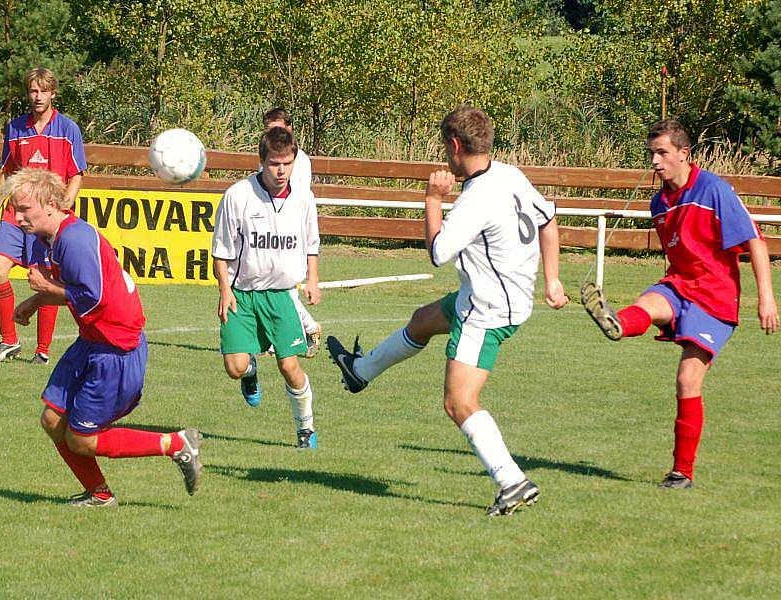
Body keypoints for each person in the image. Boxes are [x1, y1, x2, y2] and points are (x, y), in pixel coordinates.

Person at [327, 106, 569, 516]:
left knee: (459, 402)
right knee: (423, 322)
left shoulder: (476, 199)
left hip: (486, 309)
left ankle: (511, 482)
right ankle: (360, 371)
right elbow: (547, 220)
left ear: (455, 146)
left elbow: (438, 252)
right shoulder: (509, 174)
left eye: (445, 147)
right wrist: (552, 278)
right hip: (501, 295)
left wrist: (432, 199)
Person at [582, 118, 779, 489]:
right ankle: (619, 324)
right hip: (678, 284)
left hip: (715, 297)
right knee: (649, 302)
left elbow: (755, 241)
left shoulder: (714, 189)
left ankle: (681, 473)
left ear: (684, 154)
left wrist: (766, 297)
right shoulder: (659, 201)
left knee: (687, 380)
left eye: (662, 153)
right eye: (651, 153)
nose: (655, 161)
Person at [8, 168, 202, 508]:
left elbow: (93, 296)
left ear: (51, 204)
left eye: (24, 209)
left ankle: (174, 444)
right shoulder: (54, 237)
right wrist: (37, 300)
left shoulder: (74, 239)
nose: (18, 216)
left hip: (116, 350)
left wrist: (43, 289)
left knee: (82, 439)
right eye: (15, 209)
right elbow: (81, 291)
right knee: (52, 420)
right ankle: (99, 494)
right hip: (91, 341)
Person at [212, 126, 321, 449]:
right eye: (275, 163)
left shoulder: (303, 198)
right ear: (262, 162)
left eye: (287, 162)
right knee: (235, 367)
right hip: (242, 294)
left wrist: (312, 279)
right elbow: (221, 249)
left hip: (280, 295)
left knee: (290, 366)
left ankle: (306, 429)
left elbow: (312, 243)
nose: (281, 170)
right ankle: (250, 371)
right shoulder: (238, 195)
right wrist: (224, 289)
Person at [0, 66, 87, 364]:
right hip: (15, 213)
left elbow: (77, 173)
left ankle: (42, 350)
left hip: (47, 219)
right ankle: (8, 341)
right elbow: (7, 172)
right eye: (33, 90)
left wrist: (68, 199)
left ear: (53, 93)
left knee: (43, 280)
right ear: (28, 93)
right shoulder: (15, 128)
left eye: (43, 90)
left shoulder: (68, 129)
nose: (38, 96)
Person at [261, 107, 321, 358]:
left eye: (279, 128)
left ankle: (290, 336)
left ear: (290, 129)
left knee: (282, 286)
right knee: (274, 285)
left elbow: (297, 199)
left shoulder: (300, 161)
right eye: (269, 129)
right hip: (269, 231)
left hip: (291, 233)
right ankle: (308, 328)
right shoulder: (266, 157)